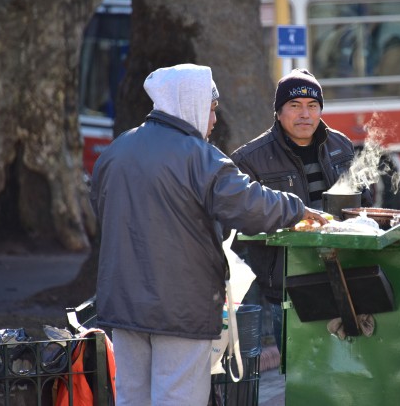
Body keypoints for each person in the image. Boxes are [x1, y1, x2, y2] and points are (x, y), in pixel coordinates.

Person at [90, 64, 326, 405]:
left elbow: (101, 209)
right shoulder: (200, 157)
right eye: (212, 109)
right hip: (179, 307)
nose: (214, 120)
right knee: (178, 397)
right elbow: (249, 204)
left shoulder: (117, 150)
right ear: (190, 104)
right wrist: (297, 209)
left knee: (131, 397)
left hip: (123, 303)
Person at [230, 68, 372, 352]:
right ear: (279, 112)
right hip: (288, 285)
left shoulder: (341, 145)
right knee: (299, 373)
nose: (304, 114)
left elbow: (364, 203)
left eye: (312, 106)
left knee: (348, 369)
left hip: (344, 276)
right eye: (294, 106)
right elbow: (243, 222)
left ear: (320, 110)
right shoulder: (249, 159)